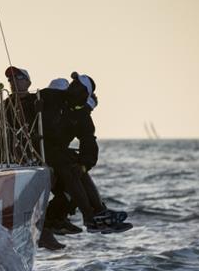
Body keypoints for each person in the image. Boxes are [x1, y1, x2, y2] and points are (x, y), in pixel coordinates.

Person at [40, 72, 131, 235]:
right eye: (73, 83)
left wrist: (84, 165)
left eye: (77, 85)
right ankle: (89, 217)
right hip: (39, 147)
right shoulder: (51, 97)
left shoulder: (80, 114)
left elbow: (89, 141)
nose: (72, 86)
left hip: (56, 152)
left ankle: (99, 212)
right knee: (67, 167)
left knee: (77, 167)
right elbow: (51, 126)